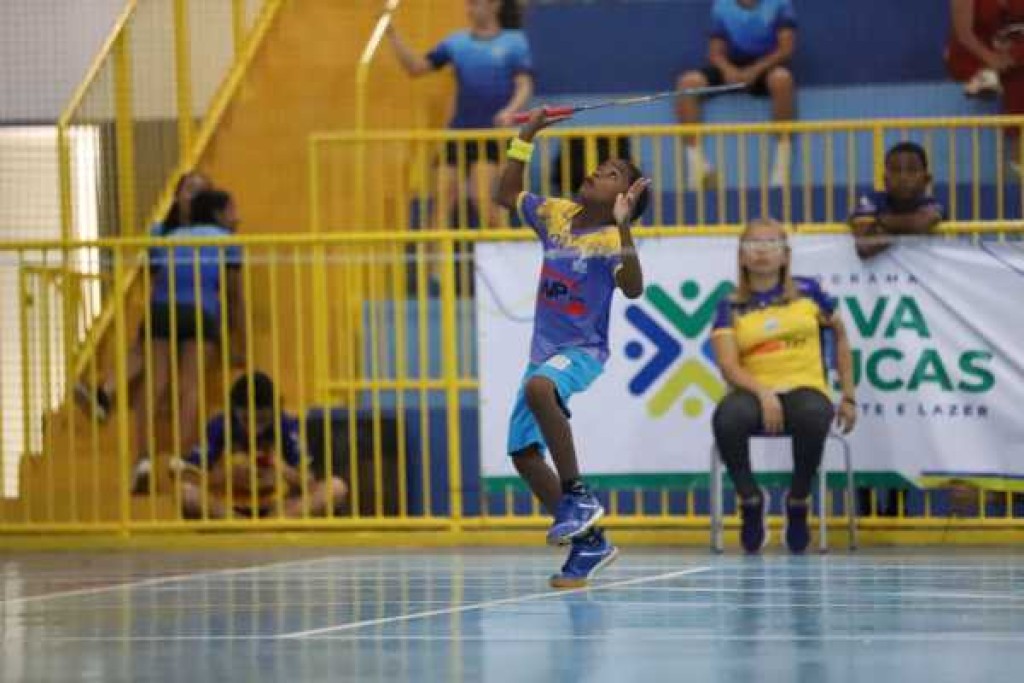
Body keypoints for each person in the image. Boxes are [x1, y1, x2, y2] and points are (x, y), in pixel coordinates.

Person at [494, 109, 649, 588]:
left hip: (582, 352)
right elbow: (505, 194)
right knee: (523, 452)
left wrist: (625, 228)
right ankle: (591, 544)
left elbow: (633, 288)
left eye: (613, 173)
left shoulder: (610, 239)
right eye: (602, 166)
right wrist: (525, 137)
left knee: (541, 389)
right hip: (543, 353)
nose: (600, 170)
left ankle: (577, 495)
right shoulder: (557, 215)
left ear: (624, 199)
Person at [710, 218, 857, 554]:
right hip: (753, 392)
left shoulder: (810, 292)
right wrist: (764, 393)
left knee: (814, 413)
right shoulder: (729, 304)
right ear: (741, 256)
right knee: (727, 417)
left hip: (805, 388)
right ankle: (750, 500)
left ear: (786, 255)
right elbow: (728, 365)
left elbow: (841, 337)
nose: (762, 251)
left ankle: (798, 499)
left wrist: (848, 397)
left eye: (771, 244)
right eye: (753, 244)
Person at [386, 0, 534, 229]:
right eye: (468, 4)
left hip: (490, 136)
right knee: (440, 203)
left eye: (476, 3)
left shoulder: (514, 42)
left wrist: (510, 111)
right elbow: (416, 68)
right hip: (457, 134)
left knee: (482, 199)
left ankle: (506, 249)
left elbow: (524, 85)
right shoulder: (456, 43)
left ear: (494, 5)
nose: (470, 9)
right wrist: (392, 34)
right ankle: (433, 254)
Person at [178, 372, 348, 519]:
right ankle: (242, 524)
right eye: (246, 419)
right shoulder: (219, 425)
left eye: (262, 420)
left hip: (277, 508)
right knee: (185, 492)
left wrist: (281, 469)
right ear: (233, 410)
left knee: (336, 487)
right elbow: (189, 476)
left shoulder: (286, 426)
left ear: (275, 411)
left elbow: (309, 482)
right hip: (228, 507)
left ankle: (268, 523)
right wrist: (226, 475)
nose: (255, 429)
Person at [675, 0, 797, 189]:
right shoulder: (721, 6)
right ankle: (697, 167)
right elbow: (715, 53)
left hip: (766, 67)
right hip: (731, 68)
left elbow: (786, 49)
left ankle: (782, 168)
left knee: (782, 80)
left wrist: (755, 69)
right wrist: (728, 70)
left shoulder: (779, 4)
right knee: (687, 84)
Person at [848, 142, 945, 261]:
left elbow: (921, 223)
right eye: (895, 170)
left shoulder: (931, 203)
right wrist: (907, 228)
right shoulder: (871, 200)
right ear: (885, 180)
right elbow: (865, 247)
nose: (903, 178)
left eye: (912, 170)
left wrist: (880, 221)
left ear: (926, 179)